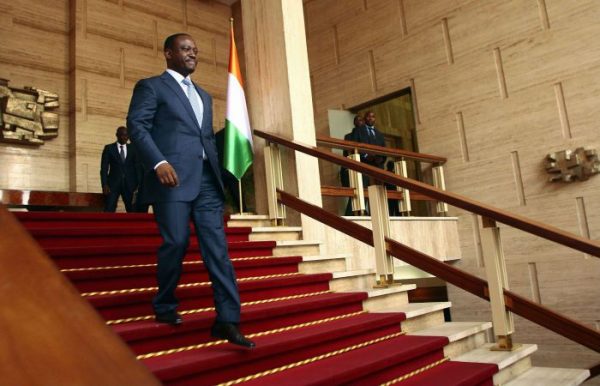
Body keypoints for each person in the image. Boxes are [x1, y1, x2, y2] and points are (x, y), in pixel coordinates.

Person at [126, 33, 255, 349]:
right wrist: (158, 163)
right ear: (168, 53)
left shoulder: (204, 96)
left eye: (195, 50)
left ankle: (227, 319)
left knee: (218, 249)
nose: (192, 54)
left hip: (207, 182)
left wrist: (221, 176)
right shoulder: (151, 86)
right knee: (177, 242)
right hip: (171, 179)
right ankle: (165, 303)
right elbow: (136, 126)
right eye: (185, 49)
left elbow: (206, 139)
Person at [100, 126, 140, 212]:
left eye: (126, 135)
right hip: (112, 185)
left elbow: (137, 167)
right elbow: (104, 167)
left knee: (132, 210)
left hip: (130, 185)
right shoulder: (109, 148)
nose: (124, 137)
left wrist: (138, 184)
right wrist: (104, 184)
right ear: (117, 135)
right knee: (109, 209)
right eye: (122, 135)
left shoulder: (133, 149)